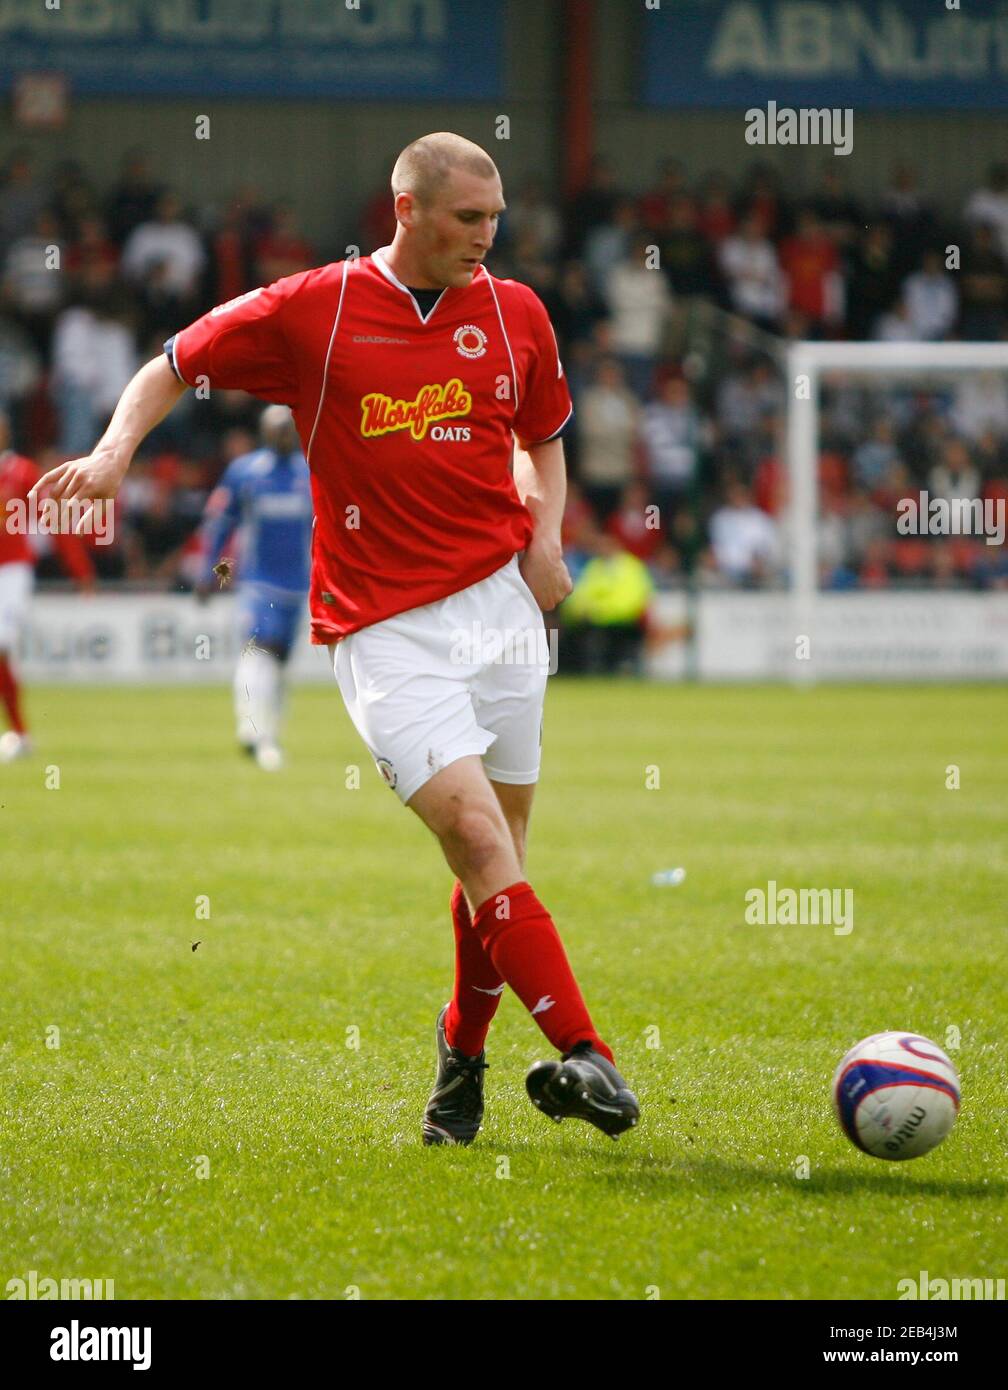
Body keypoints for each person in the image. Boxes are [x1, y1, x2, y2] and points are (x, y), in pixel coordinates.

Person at [31, 132, 640, 1147]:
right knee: (481, 841)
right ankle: (592, 1056)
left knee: (498, 867)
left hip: (501, 612)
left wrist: (544, 538)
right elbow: (173, 361)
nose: (487, 240)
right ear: (405, 209)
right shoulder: (314, 306)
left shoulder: (515, 310)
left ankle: (463, 1059)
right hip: (383, 625)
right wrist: (110, 452)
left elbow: (544, 438)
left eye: (496, 221)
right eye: (466, 220)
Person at [195, 404, 313, 772]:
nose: (283, 434)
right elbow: (219, 524)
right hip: (258, 583)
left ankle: (263, 728)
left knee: (279, 665)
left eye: (288, 428)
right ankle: (259, 735)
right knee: (258, 651)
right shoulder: (245, 472)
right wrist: (209, 572)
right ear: (264, 432)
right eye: (276, 428)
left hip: (299, 585)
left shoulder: (310, 471)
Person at [0, 408, 95, 762]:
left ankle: (21, 734)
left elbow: (54, 522)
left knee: (1, 646)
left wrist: (80, 572)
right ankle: (18, 734)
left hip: (11, 573)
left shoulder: (22, 472)